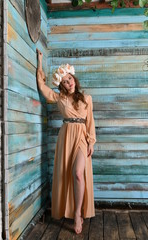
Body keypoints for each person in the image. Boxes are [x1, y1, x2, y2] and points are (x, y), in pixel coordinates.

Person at [36, 48, 96, 234]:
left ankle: (77, 213)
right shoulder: (60, 98)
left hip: (81, 137)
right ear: (61, 86)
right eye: (63, 82)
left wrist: (91, 142)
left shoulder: (87, 98)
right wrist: (40, 61)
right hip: (66, 135)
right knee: (65, 174)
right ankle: (68, 210)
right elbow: (42, 87)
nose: (68, 83)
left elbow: (90, 122)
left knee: (78, 173)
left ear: (74, 78)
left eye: (69, 79)